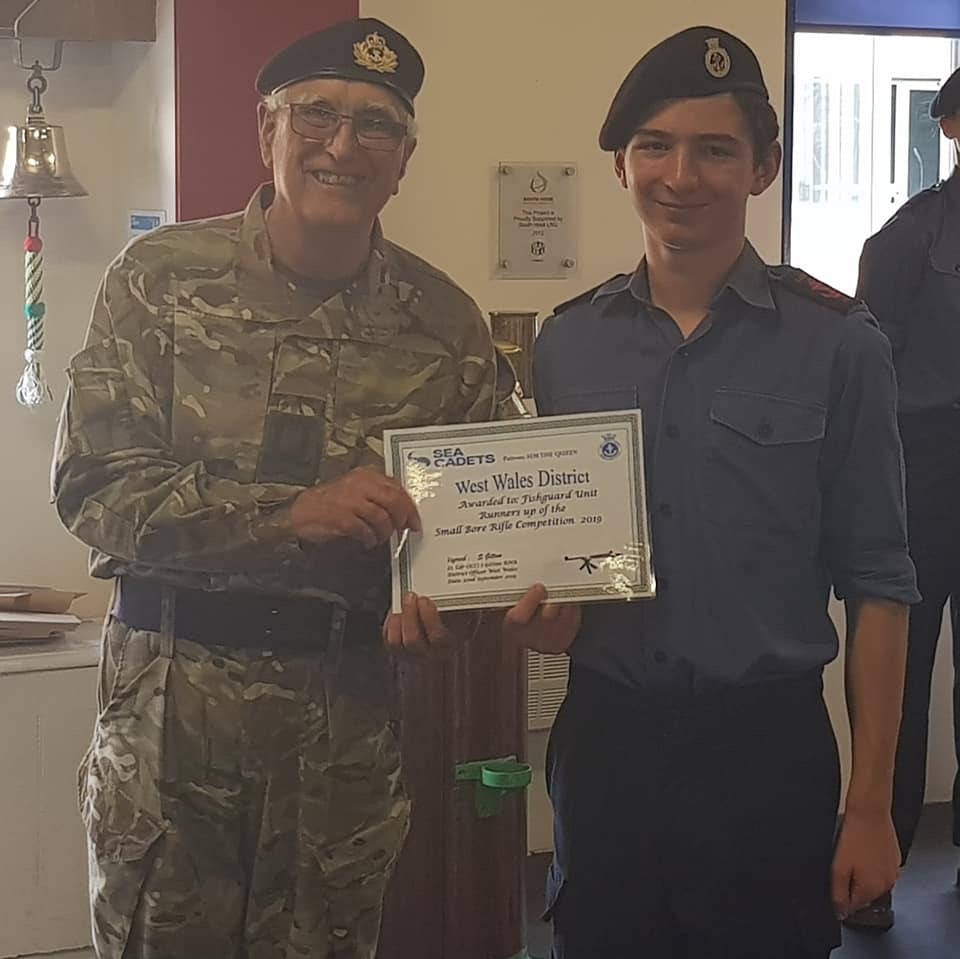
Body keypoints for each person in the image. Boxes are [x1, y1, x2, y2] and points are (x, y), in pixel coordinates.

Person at [51, 17, 498, 959]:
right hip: (171, 725)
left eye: (376, 124)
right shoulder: (160, 280)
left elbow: (466, 534)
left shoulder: (447, 326)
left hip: (342, 730)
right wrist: (292, 515)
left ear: (405, 158)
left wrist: (451, 609)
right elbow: (95, 488)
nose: (343, 145)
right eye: (317, 115)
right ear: (268, 130)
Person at [499, 25, 919, 959]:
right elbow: (566, 562)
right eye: (655, 145)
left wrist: (871, 806)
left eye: (715, 149)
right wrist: (547, 615)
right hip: (606, 748)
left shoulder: (839, 345)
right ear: (620, 164)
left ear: (764, 168)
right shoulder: (567, 344)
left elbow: (881, 583)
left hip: (765, 752)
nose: (680, 175)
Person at [849, 66, 960, 932]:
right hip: (924, 466)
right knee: (898, 668)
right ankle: (874, 864)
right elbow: (865, 369)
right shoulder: (909, 236)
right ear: (952, 127)